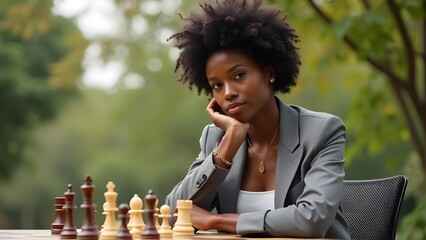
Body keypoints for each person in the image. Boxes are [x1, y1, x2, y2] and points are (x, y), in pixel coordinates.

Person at [165, 0, 350, 239]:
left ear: (269, 72)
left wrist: (217, 220)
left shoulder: (321, 131)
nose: (228, 92)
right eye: (217, 85)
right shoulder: (217, 138)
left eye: (239, 75)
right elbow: (171, 214)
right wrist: (228, 146)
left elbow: (312, 220)